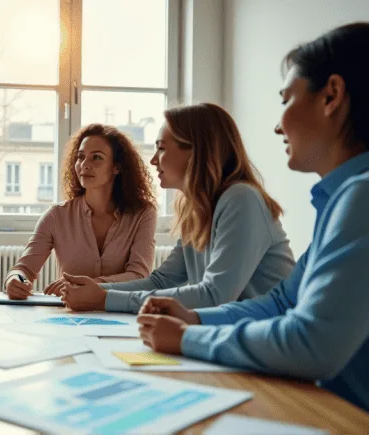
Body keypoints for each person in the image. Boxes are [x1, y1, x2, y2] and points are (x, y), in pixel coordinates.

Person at [135, 22, 369, 413]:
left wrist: (187, 338)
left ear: (331, 96)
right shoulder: (343, 199)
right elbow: (282, 302)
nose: (278, 125)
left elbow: (310, 343)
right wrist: (194, 319)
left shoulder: (361, 197)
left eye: (286, 100)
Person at [59, 103, 295, 313]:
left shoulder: (241, 199)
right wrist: (97, 289)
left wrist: (105, 299)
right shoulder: (197, 209)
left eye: (161, 148)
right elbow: (162, 281)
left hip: (269, 339)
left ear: (197, 151)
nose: (153, 160)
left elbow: (215, 295)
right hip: (232, 334)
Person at [4, 124, 157, 300]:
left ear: (117, 167)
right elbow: (23, 269)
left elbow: (139, 276)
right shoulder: (56, 216)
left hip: (120, 311)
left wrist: (89, 285)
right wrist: (15, 280)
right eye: (80, 157)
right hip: (70, 313)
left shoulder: (143, 214)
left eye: (96, 157)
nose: (84, 165)